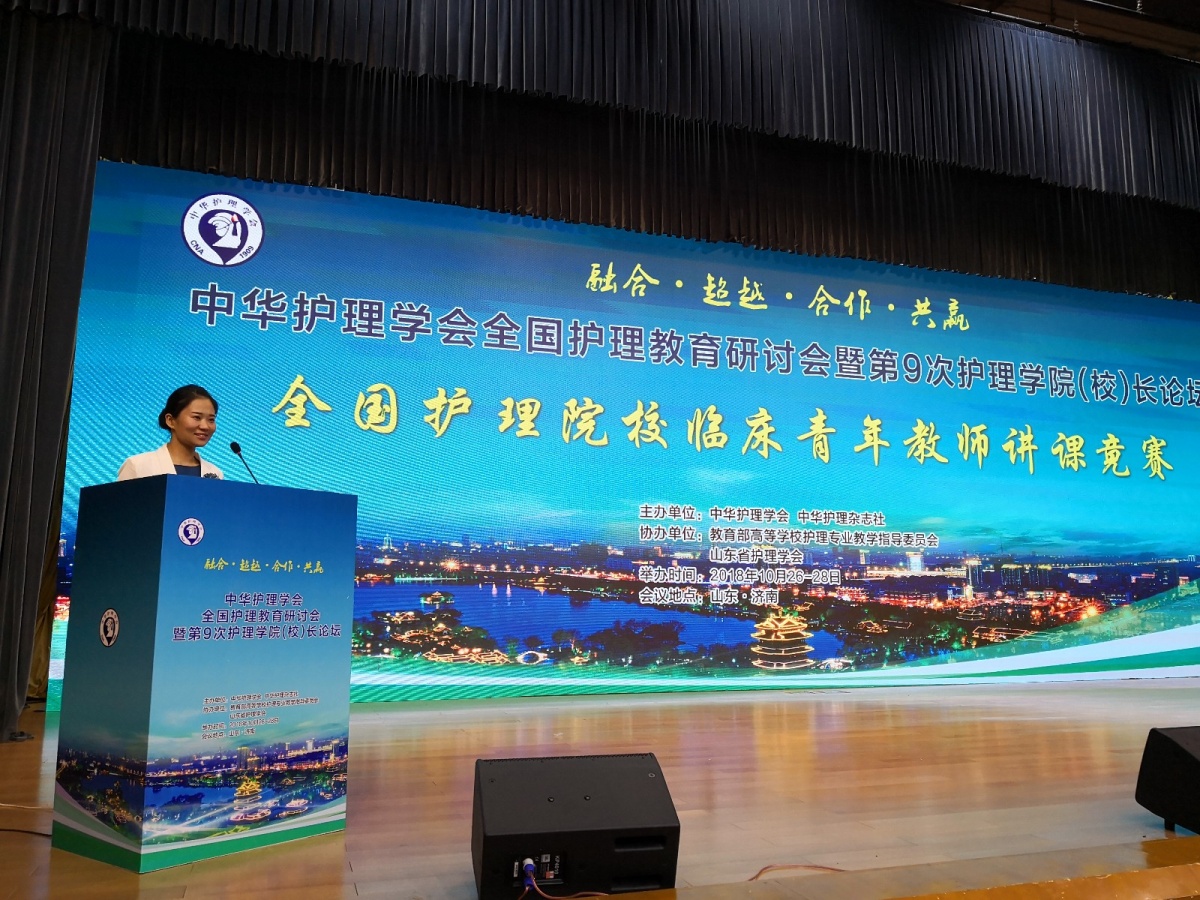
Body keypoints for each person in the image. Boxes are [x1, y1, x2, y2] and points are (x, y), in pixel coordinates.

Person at [116, 384, 225, 480]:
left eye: (211, 419)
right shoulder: (137, 466)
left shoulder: (215, 473)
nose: (205, 426)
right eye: (196, 417)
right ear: (170, 420)